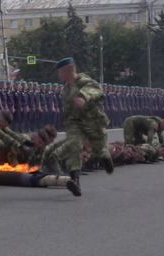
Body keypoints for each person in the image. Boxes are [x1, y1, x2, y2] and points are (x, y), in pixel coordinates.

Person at [40, 57, 114, 196]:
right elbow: (68, 111)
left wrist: (83, 97)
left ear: (67, 70)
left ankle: (105, 156)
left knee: (99, 149)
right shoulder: (65, 89)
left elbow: (97, 92)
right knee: (74, 145)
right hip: (75, 124)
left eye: (60, 72)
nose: (59, 75)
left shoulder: (85, 81)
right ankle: (75, 180)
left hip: (92, 121)